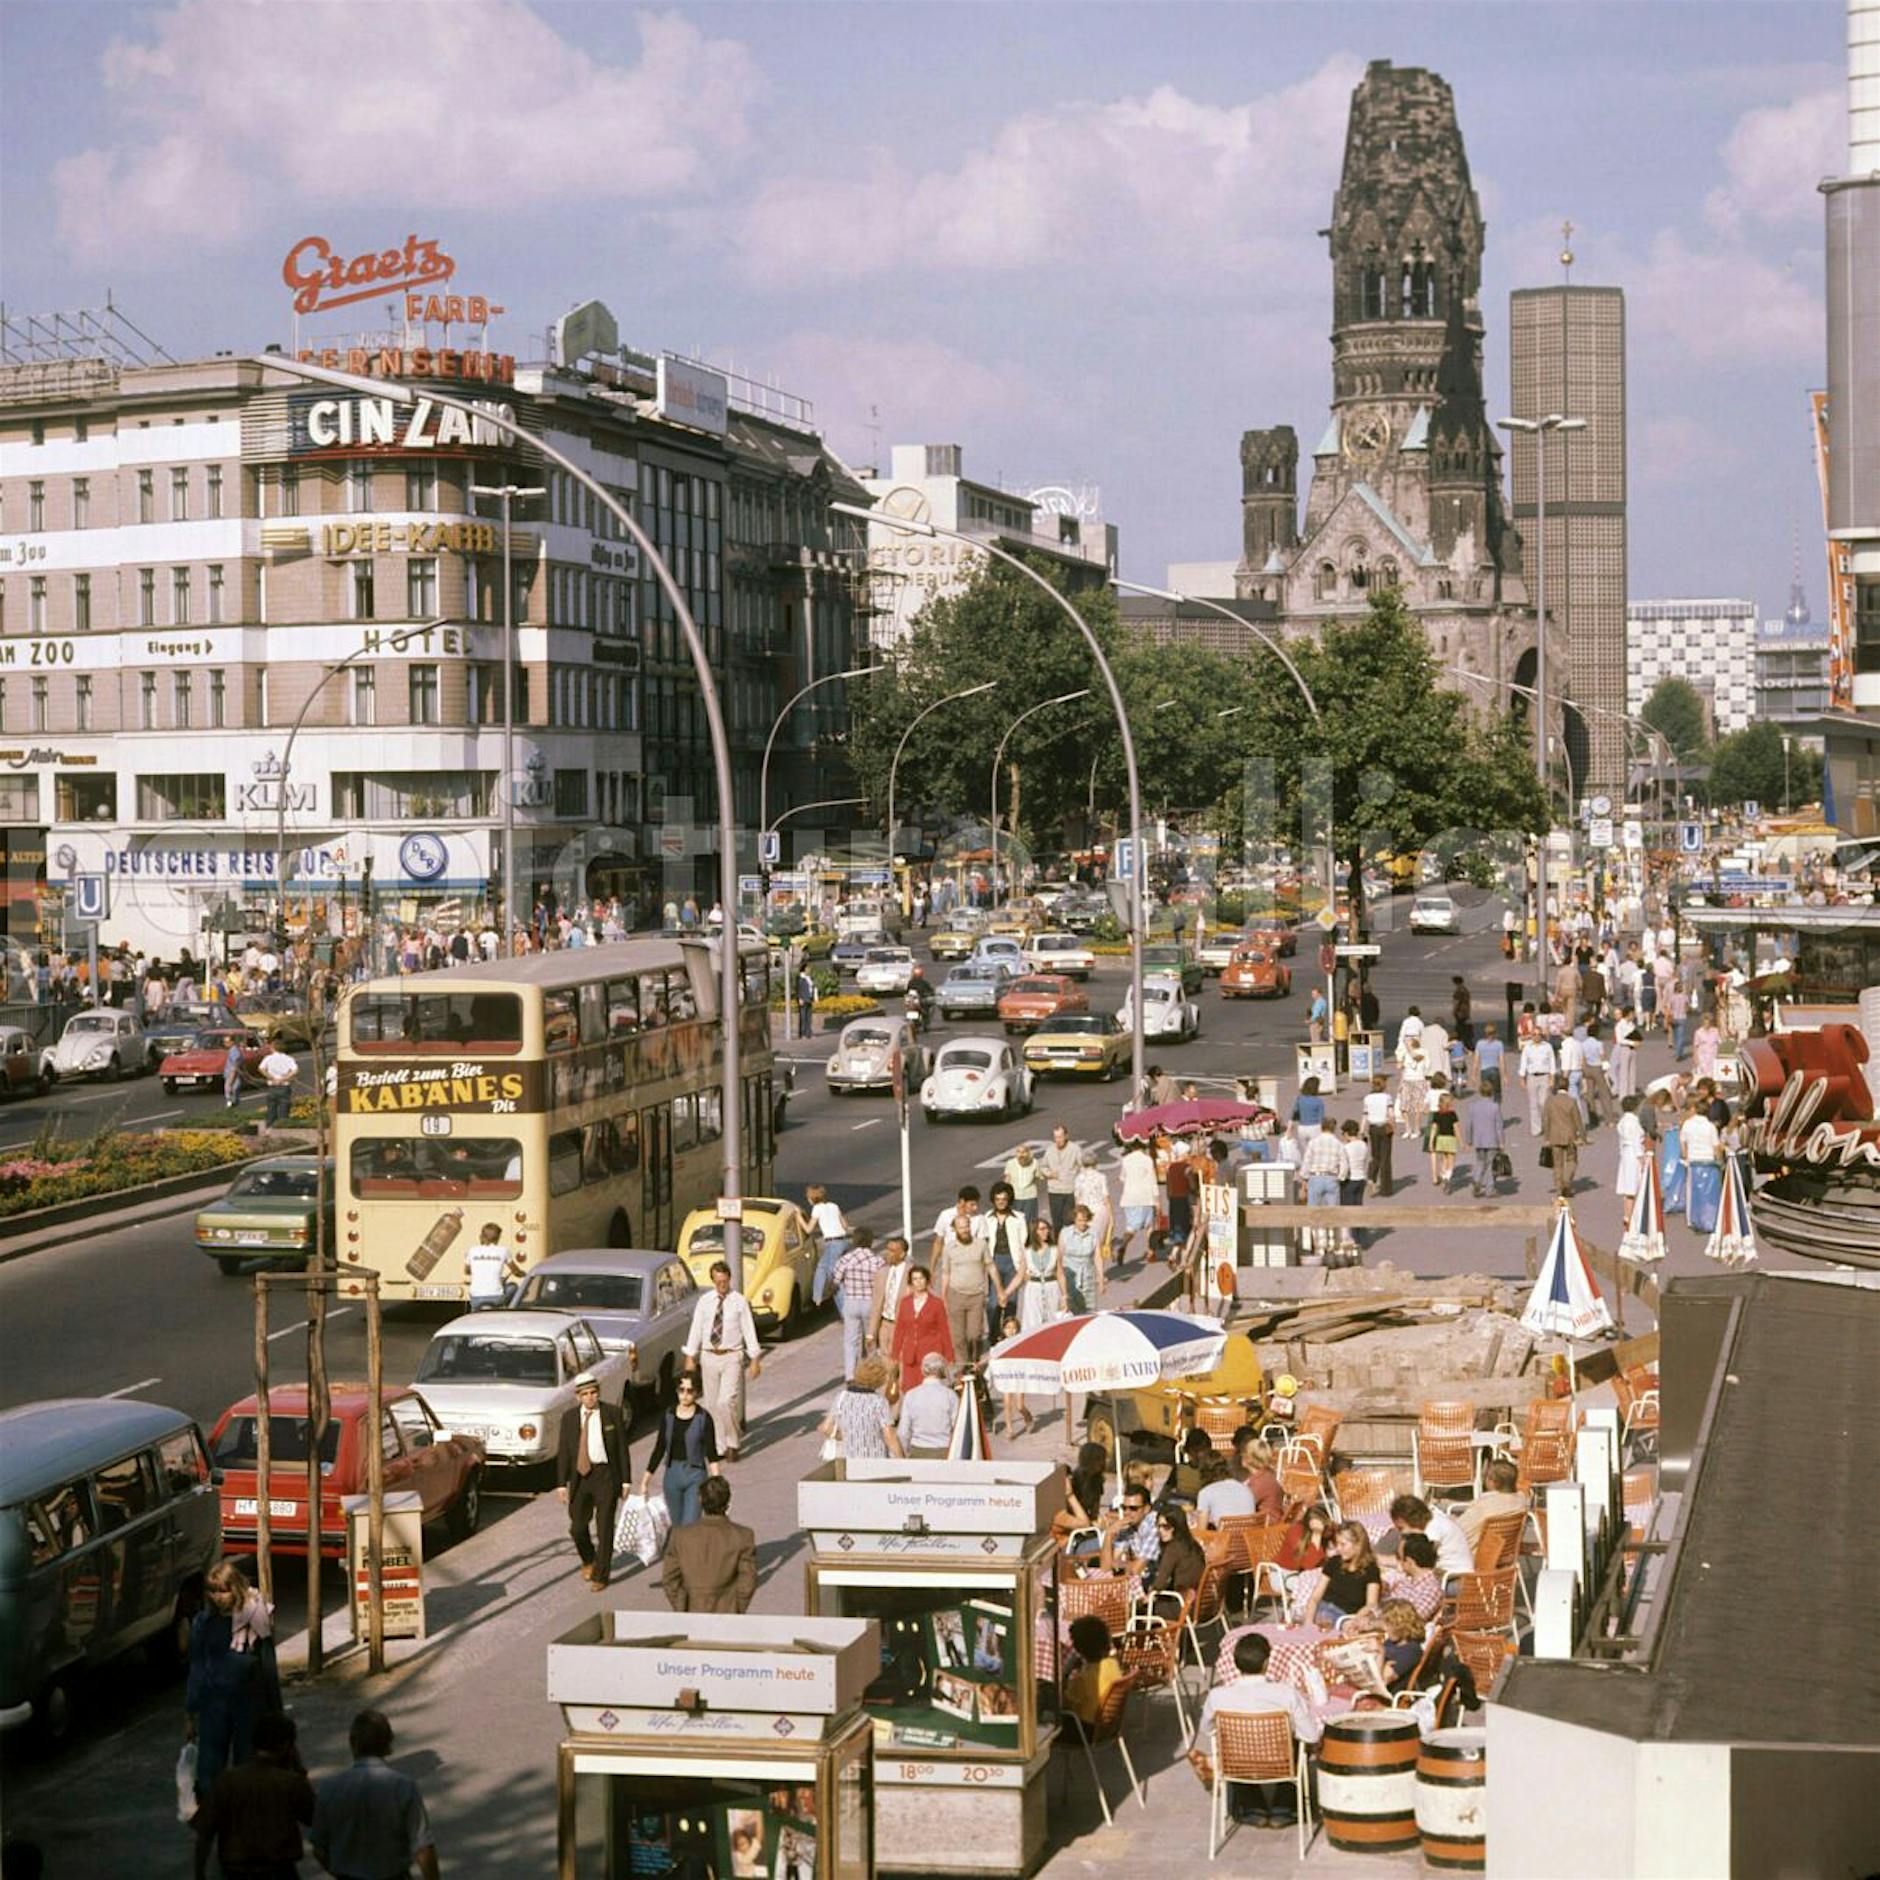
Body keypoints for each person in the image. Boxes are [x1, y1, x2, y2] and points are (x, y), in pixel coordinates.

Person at [1196, 1633, 1322, 1827]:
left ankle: (1251, 1807)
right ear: (1266, 1663)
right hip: (1280, 1763)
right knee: (1297, 1741)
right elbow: (1311, 1735)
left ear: (1236, 1664)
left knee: (1230, 1743)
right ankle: (1284, 1808)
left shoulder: (1217, 1696)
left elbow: (1207, 1729)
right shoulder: (1286, 1693)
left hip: (1238, 1765)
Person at [186, 1562, 282, 1801]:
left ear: (236, 1588)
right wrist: (190, 1711)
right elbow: (197, 1667)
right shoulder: (203, 1622)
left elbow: (268, 1665)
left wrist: (276, 1711)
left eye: (224, 1590)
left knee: (248, 1767)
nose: (218, 1597)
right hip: (213, 1704)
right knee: (209, 1769)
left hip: (249, 1703)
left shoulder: (256, 1617)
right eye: (213, 1591)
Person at [309, 1709, 439, 1880]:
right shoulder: (403, 1787)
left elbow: (319, 1848)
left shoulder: (329, 1788)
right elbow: (423, 1847)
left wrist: (339, 1873)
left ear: (352, 1743)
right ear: (388, 1745)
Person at [192, 1709, 314, 1880]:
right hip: (279, 1872)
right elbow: (315, 1818)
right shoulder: (291, 1783)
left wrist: (199, 1873)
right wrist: (299, 1770)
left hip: (236, 1872)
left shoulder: (227, 1780)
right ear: (287, 1745)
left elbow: (204, 1833)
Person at [683, 1260, 763, 1461]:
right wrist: (690, 1356)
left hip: (731, 1356)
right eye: (718, 1282)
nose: (722, 1285)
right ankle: (719, 1446)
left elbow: (748, 1330)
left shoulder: (739, 1302)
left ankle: (733, 1442)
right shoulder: (704, 1302)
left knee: (725, 1402)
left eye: (725, 1281)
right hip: (709, 1355)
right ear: (713, 1280)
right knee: (711, 1404)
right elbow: (697, 1329)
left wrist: (754, 1359)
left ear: (729, 1279)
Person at [557, 1372, 631, 1587]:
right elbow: (564, 1452)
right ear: (578, 1396)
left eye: (594, 1393)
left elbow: (622, 1450)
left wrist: (626, 1481)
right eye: (586, 1394)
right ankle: (589, 1559)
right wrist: (561, 1484)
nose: (590, 1398)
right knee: (577, 1528)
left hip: (605, 1476)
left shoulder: (612, 1414)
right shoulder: (569, 1418)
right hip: (580, 1478)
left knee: (605, 1527)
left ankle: (601, 1575)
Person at [659, 1475, 758, 1614]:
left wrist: (682, 1607)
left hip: (691, 1611)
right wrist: (736, 1608)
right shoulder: (743, 1536)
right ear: (727, 1502)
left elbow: (669, 1579)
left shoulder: (680, 1536)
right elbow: (748, 1581)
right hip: (728, 1612)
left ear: (700, 1500)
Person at [640, 1374, 721, 1528]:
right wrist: (645, 1481)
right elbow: (659, 1448)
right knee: (676, 1525)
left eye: (690, 1391)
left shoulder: (704, 1418)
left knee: (690, 1524)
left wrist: (717, 1482)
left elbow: (711, 1452)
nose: (685, 1395)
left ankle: (690, 1551)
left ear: (696, 1393)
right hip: (672, 1474)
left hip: (695, 1475)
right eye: (681, 1390)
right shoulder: (668, 1415)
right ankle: (681, 1551)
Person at [933, 1210, 994, 1365]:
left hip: (976, 1295)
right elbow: (946, 1273)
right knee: (957, 1337)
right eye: (961, 1227)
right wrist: (944, 1297)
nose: (965, 1230)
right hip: (955, 1295)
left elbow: (990, 1266)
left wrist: (999, 1289)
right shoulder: (949, 1248)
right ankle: (962, 1366)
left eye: (967, 1226)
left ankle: (974, 1361)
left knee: (973, 1335)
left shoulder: (980, 1244)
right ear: (954, 1229)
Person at [819, 1355, 904, 1460]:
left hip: (849, 1462)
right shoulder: (879, 1402)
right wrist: (902, 1460)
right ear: (878, 1380)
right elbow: (889, 1435)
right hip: (875, 1461)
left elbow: (825, 1428)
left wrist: (846, 1437)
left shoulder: (842, 1397)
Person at [889, 1264, 955, 1396]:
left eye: (921, 1278)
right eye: (915, 1279)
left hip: (930, 1354)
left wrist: (949, 1356)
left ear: (927, 1281)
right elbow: (900, 1329)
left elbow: (944, 1330)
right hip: (910, 1355)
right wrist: (895, 1354)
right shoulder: (905, 1302)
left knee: (929, 1392)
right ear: (910, 1282)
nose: (918, 1282)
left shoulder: (936, 1303)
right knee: (909, 1390)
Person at [831, 1227, 884, 1380]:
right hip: (870, 1302)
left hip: (851, 1301)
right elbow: (882, 1282)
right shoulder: (877, 1260)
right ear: (870, 1241)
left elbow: (835, 1281)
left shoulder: (845, 1259)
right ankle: (871, 1372)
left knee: (851, 1341)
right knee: (871, 1338)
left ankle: (850, 1375)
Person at [1385, 1493, 1474, 1578]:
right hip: (1448, 1574)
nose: (1402, 1533)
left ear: (1413, 1521)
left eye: (1401, 1528)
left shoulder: (1433, 1529)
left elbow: (1416, 1564)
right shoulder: (1434, 1521)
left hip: (1455, 1577)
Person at [1142, 1505, 1207, 1617]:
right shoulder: (1192, 1545)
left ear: (1176, 1527)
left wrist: (1147, 1596)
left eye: (1166, 1527)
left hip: (1183, 1606)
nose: (1160, 1531)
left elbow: (1160, 1584)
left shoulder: (1173, 1549)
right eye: (1158, 1527)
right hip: (1202, 1604)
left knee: (1136, 1607)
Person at [1063, 1615, 1123, 1731]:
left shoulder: (1082, 1679)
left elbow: (1064, 1704)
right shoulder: (1113, 1665)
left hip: (1084, 1729)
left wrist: (1066, 1674)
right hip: (1108, 1728)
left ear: (1078, 1648)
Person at [1457, 1458, 1530, 1553]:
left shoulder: (1483, 1506)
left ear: (1492, 1482)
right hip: (1505, 1556)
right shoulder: (1521, 1502)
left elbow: (1459, 1532)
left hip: (1476, 1558)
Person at [1316, 1521, 1382, 1624]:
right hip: (1322, 1609)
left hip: (1345, 1616)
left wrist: (1354, 1620)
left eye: (1343, 1544)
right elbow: (1315, 1597)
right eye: (1337, 1544)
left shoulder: (1370, 1570)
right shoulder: (1334, 1562)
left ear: (1358, 1545)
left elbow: (1371, 1604)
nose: (1338, 1549)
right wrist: (1308, 1623)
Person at [897, 1352, 959, 1458]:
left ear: (923, 1370)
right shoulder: (950, 1395)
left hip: (918, 1449)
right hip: (944, 1450)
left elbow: (903, 1431)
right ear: (942, 1370)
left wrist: (905, 1451)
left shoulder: (911, 1395)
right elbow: (958, 1427)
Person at [1681, 1099, 1724, 1234]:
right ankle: (1710, 1219)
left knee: (1693, 1192)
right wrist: (1720, 1161)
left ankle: (1692, 1219)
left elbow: (1683, 1143)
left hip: (1693, 1161)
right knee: (1710, 1193)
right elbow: (1716, 1146)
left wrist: (1686, 1156)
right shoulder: (1710, 1127)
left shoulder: (1687, 1124)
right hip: (1708, 1161)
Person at [1097, 1484, 1161, 1574]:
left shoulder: (1155, 1526)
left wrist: (1121, 1564)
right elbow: (1105, 1568)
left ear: (1147, 1509)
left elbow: (1137, 1569)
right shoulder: (1128, 1525)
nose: (1127, 1513)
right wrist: (1109, 1533)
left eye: (1133, 1508)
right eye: (1124, 1508)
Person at [1541, 1073, 1585, 1199]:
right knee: (1572, 1160)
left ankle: (1559, 1188)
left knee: (1557, 1164)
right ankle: (1567, 1181)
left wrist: (1546, 1137)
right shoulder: (1571, 1101)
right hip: (1570, 1136)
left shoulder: (1550, 1101)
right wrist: (1582, 1136)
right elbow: (1578, 1120)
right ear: (1567, 1087)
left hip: (1554, 1136)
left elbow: (1545, 1119)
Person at [1382, 1533, 1445, 1622]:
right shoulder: (1404, 1581)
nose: (1397, 1562)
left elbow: (1411, 1621)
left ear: (1409, 1562)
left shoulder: (1431, 1589)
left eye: (1398, 1557)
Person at [806, 1184, 850, 1310]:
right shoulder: (834, 1206)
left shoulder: (817, 1209)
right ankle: (817, 1297)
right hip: (843, 1242)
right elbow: (845, 1225)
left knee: (835, 1279)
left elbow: (808, 1229)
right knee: (821, 1267)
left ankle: (844, 1310)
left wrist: (799, 1217)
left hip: (832, 1244)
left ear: (811, 1198)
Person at [1117, 1137, 1159, 1267]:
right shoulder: (1147, 1160)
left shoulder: (1126, 1160)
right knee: (1149, 1226)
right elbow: (1153, 1180)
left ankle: (1123, 1245)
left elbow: (1122, 1178)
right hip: (1145, 1197)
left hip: (1129, 1198)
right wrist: (1157, 1199)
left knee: (1131, 1226)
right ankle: (1151, 1251)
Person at [1056, 1202, 1103, 1313]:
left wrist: (1101, 1278)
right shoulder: (1065, 1233)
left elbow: (1097, 1257)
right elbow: (1059, 1257)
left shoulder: (1093, 1233)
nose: (1083, 1223)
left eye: (1085, 1220)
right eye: (1080, 1220)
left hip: (1087, 1275)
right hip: (1070, 1276)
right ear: (1074, 1220)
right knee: (1071, 1309)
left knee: (1089, 1310)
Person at [1465, 1079, 1506, 1198]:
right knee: (1490, 1164)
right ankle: (1490, 1188)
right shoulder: (1495, 1107)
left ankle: (1477, 1180)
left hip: (1478, 1140)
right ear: (1492, 1092)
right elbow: (1499, 1126)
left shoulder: (1473, 1107)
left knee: (1480, 1162)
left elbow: (1469, 1124)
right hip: (1492, 1140)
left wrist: (1468, 1140)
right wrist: (1502, 1142)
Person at [1195, 1451, 1257, 1527]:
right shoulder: (1246, 1489)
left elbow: (1202, 1530)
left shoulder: (1206, 1493)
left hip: (1223, 1537)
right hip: (1249, 1537)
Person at [465, 1221, 518, 1310]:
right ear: (497, 1238)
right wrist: (521, 1273)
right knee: (513, 1287)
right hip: (496, 1297)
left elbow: (467, 1271)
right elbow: (516, 1271)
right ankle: (508, 1310)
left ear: (481, 1236)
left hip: (476, 1298)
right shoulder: (504, 1251)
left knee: (473, 1297)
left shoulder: (472, 1251)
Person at [1519, 1027, 1558, 1137]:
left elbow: (1552, 1062)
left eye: (1538, 1034)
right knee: (1533, 1104)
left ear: (1541, 1035)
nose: (1536, 1036)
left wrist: (1552, 1077)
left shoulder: (1547, 1047)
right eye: (1534, 1034)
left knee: (1544, 1103)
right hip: (1532, 1076)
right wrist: (1522, 1078)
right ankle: (1536, 1129)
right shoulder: (1527, 1047)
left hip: (1544, 1076)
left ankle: (1547, 1126)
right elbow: (1523, 1063)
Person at [1041, 1123, 1080, 1230]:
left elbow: (1082, 1167)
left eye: (1060, 1137)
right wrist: (1049, 1174)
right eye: (1056, 1137)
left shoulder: (1075, 1149)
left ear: (1066, 1136)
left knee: (1068, 1221)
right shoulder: (1050, 1150)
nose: (1058, 1140)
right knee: (1056, 1222)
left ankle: (1069, 1244)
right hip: (1054, 1191)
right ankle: (1058, 1244)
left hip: (1069, 1190)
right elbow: (1043, 1167)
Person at [1362, 1074, 1394, 1197]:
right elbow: (1391, 1114)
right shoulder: (1387, 1098)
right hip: (1384, 1127)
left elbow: (1364, 1115)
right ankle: (1386, 1189)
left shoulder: (1367, 1098)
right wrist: (1392, 1125)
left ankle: (1371, 1177)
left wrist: (1361, 1130)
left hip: (1372, 1128)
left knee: (1375, 1156)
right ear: (1383, 1085)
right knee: (1385, 1158)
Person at [1615, 1094, 1647, 1203]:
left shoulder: (1622, 1121)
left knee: (1627, 1187)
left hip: (1625, 1153)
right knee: (1635, 1185)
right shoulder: (1634, 1121)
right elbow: (1636, 1141)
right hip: (1634, 1155)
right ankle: (1633, 1214)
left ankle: (1627, 1215)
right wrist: (1641, 1159)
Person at [1427, 1085, 1460, 1190]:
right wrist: (1461, 1141)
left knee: (1444, 1158)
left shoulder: (1436, 1114)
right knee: (1452, 1159)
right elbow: (1456, 1128)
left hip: (1440, 1139)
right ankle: (1447, 1176)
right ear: (1449, 1104)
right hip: (1450, 1138)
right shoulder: (1453, 1114)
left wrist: (1431, 1142)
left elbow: (1433, 1129)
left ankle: (1443, 1173)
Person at [1002, 1143, 1043, 1225]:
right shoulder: (1010, 1163)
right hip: (1016, 1198)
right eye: (1018, 1152)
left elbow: (1038, 1178)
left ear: (1028, 1153)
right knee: (1015, 1222)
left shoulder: (1034, 1163)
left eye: (1024, 1152)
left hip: (1030, 1197)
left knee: (1030, 1223)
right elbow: (1007, 1179)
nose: (1021, 1155)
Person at [259, 1043, 298, 1130]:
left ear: (273, 1048)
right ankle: (283, 1128)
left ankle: (269, 1129)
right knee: (284, 1109)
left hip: (272, 1086)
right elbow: (295, 1070)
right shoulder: (288, 1058)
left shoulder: (268, 1058)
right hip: (284, 1086)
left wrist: (271, 1077)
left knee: (271, 1109)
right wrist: (284, 1078)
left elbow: (261, 1068)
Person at [222, 1038, 246, 1111]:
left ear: (232, 1042)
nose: (225, 1043)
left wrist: (231, 1080)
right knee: (232, 1094)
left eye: (227, 1042)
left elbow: (234, 1067)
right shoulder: (232, 1051)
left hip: (232, 1076)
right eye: (224, 1042)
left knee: (231, 1094)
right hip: (231, 1075)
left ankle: (231, 1110)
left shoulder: (234, 1052)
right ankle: (233, 1109)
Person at [795, 965, 816, 1039]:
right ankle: (802, 1033)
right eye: (808, 969)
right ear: (804, 970)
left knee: (809, 1017)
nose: (809, 970)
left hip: (809, 999)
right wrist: (800, 998)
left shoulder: (809, 978)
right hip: (803, 999)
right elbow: (798, 989)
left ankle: (808, 1033)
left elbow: (812, 987)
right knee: (803, 1018)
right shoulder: (801, 978)